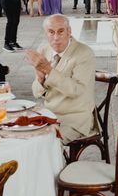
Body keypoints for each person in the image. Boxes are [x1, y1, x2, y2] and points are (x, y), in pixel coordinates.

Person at [28, 14, 98, 144]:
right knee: (23, 137)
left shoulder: (84, 53)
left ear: (69, 31)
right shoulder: (43, 50)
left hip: (75, 118)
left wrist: (49, 71)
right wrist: (40, 79)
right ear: (46, 34)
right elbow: (36, 93)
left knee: (45, 143)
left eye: (61, 32)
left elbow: (76, 91)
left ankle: (56, 164)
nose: (56, 38)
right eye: (51, 32)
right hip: (49, 115)